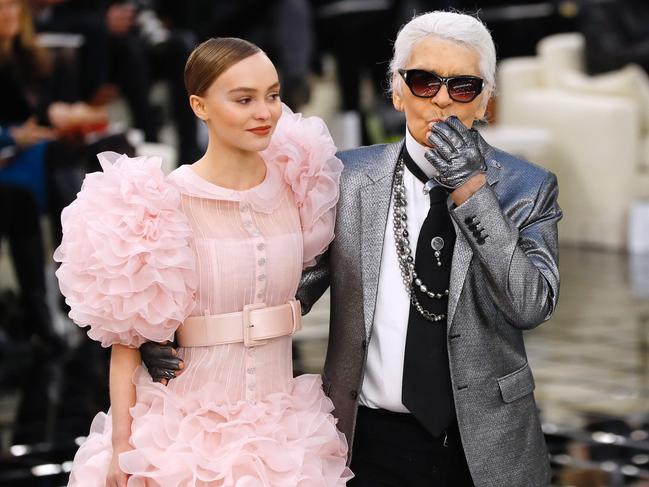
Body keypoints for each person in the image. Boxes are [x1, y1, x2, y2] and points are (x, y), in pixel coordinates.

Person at [142, 10, 562, 487]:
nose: (442, 100)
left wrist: (472, 190)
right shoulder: (347, 178)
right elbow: (286, 285)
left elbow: (531, 304)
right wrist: (176, 329)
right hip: (366, 438)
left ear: (485, 99)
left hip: (487, 447)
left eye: (463, 86)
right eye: (424, 81)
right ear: (397, 90)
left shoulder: (527, 187)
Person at [55, 37, 352, 485]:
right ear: (199, 105)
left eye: (273, 96)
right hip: (184, 435)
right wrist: (121, 447)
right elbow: (127, 344)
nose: (265, 112)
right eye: (244, 99)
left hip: (285, 431)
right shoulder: (153, 207)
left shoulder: (301, 182)